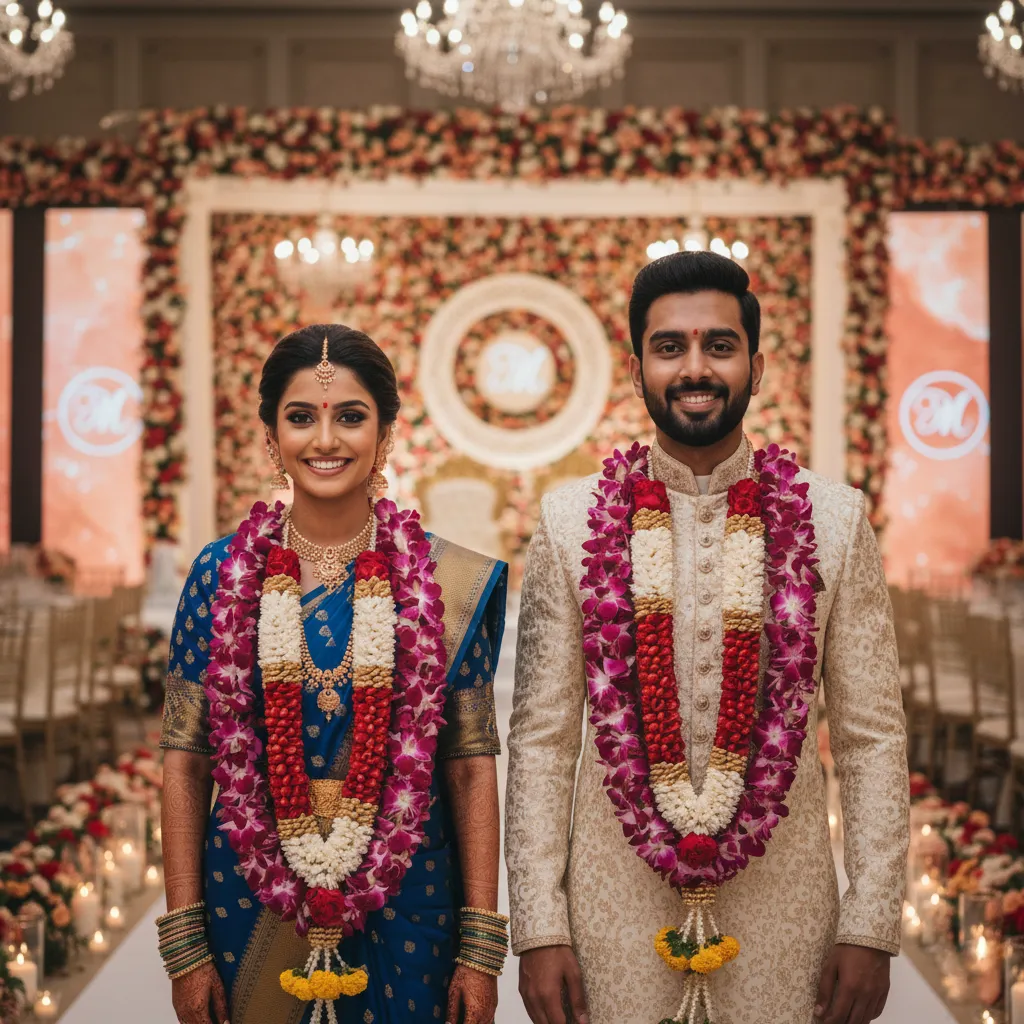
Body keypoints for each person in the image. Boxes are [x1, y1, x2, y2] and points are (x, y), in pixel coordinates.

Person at [505, 252, 909, 1024]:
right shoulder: (569, 521)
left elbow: (870, 740)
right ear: (636, 370)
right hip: (611, 906)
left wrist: (871, 922)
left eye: (719, 346)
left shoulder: (834, 520)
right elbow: (543, 742)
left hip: (782, 906)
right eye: (670, 347)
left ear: (756, 368)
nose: (696, 368)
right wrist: (540, 925)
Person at [159, 324, 508, 1024]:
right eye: (300, 417)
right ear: (270, 436)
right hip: (250, 900)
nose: (325, 440)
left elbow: (469, 767)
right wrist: (187, 944)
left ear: (384, 436)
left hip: (411, 894)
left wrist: (479, 946)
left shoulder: (445, 582)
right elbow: (185, 762)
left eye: (350, 417)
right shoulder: (219, 574)